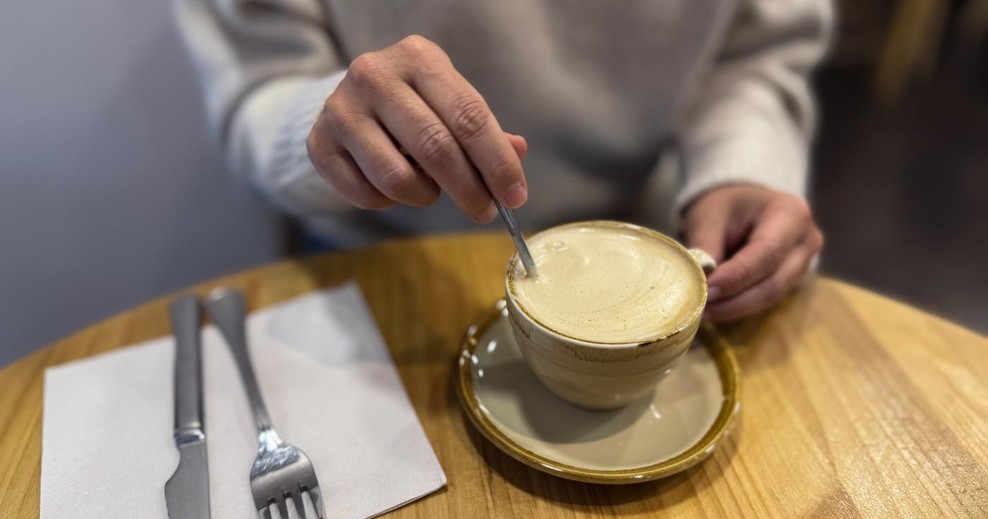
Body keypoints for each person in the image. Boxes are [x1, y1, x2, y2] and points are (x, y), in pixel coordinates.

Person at [176, 0, 831, 321]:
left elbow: (754, 50)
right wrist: (329, 128)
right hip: (377, 258)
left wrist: (743, 166)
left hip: (648, 226)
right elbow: (256, 90)